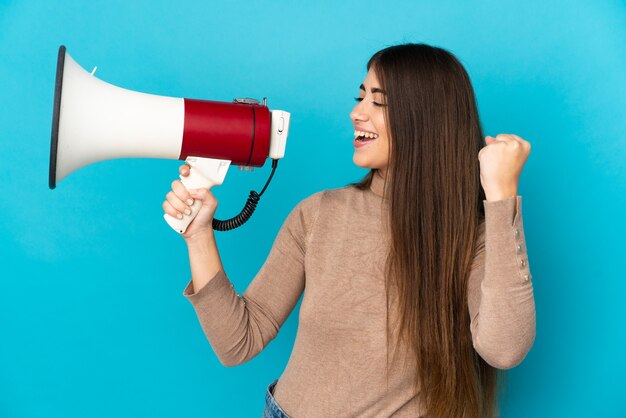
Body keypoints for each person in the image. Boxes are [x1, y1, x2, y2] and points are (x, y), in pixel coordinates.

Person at [162, 43, 536, 418]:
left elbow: (504, 348)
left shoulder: (472, 235)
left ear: (427, 117)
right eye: (360, 98)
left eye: (379, 102)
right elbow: (237, 343)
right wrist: (199, 236)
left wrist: (502, 199)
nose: (356, 113)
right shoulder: (319, 214)